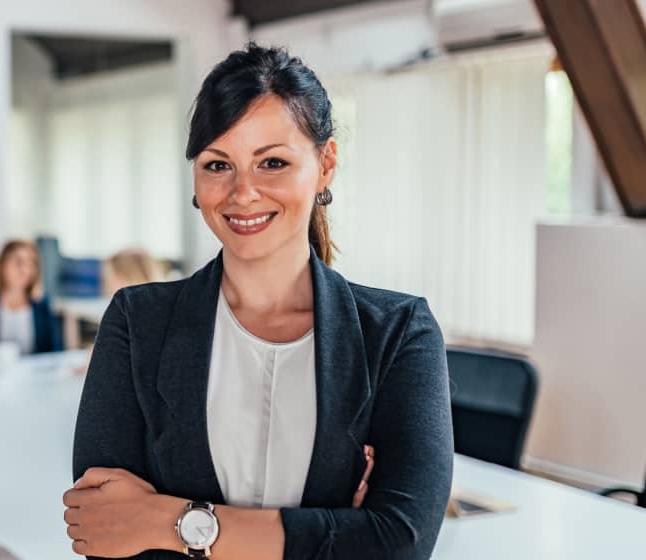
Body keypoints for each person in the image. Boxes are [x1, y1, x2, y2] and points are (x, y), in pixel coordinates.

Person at [65, 43, 452, 560]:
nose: (243, 192)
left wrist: (166, 520)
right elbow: (102, 530)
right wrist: (334, 530)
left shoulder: (398, 334)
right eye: (218, 164)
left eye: (272, 162)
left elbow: (398, 544)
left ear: (326, 165)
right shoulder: (139, 323)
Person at [0, 240, 62, 359]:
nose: (25, 270)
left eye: (31, 264)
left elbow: (54, 353)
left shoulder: (42, 305)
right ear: (2, 265)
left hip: (32, 375)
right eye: (18, 262)